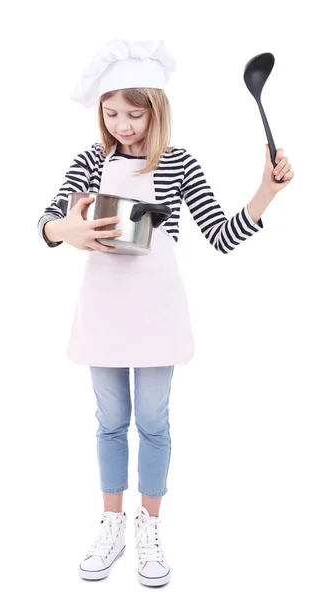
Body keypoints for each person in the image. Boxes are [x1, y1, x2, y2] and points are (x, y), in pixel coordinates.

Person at [37, 39, 294, 587]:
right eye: (111, 112)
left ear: (157, 110)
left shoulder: (179, 163)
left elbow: (223, 237)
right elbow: (48, 224)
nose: (122, 124)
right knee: (110, 423)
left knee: (153, 424)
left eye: (135, 112)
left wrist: (266, 192)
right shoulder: (89, 162)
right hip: (103, 312)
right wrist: (70, 230)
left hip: (156, 313)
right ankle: (111, 523)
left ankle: (149, 528)